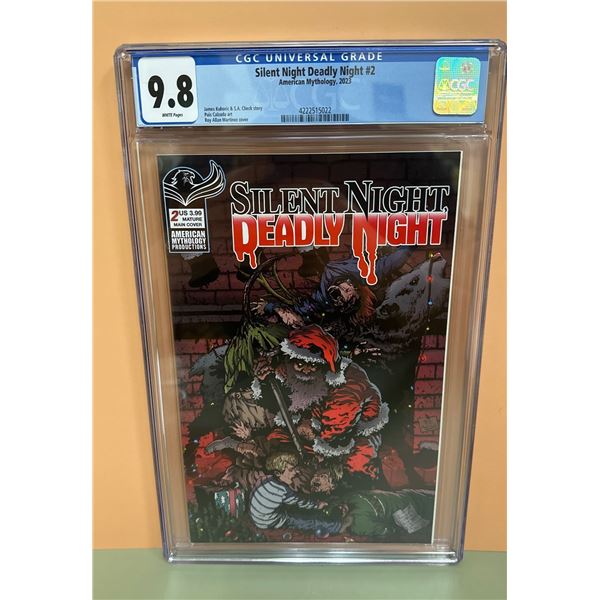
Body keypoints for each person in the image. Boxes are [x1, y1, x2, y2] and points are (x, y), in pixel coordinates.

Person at [249, 452, 344, 535]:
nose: (295, 472)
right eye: (291, 470)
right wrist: (317, 505)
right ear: (278, 473)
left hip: (258, 516)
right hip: (268, 521)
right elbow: (300, 501)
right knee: (306, 521)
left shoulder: (267, 478)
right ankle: (335, 526)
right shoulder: (281, 490)